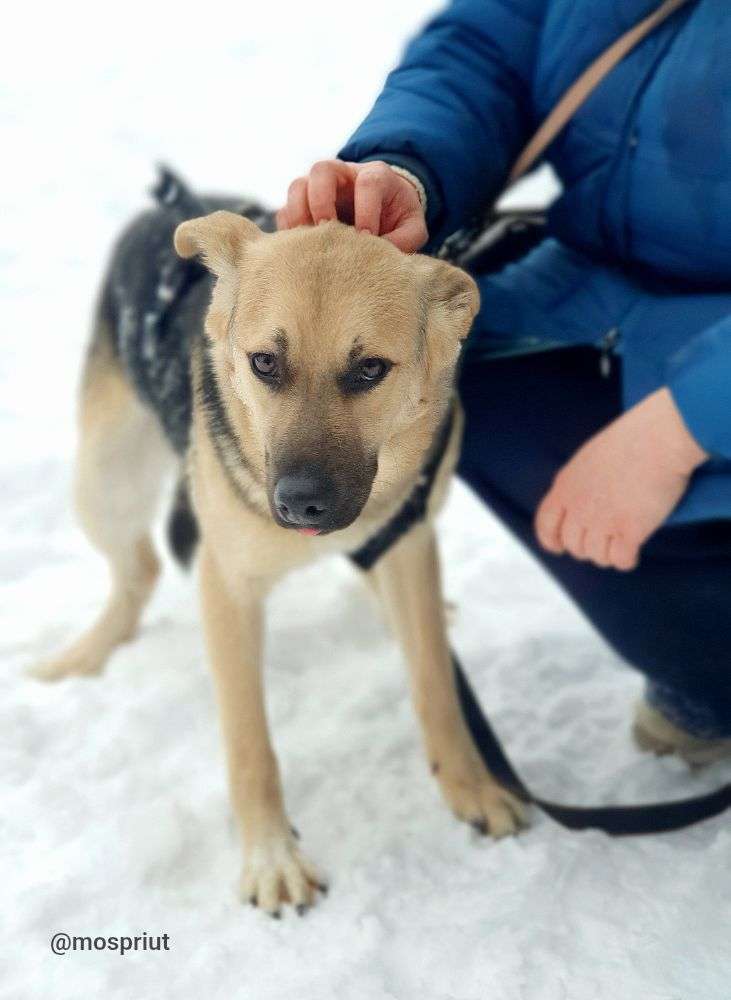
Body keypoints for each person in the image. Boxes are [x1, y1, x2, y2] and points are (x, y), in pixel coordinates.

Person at [278, 0, 731, 761]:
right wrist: (406, 167)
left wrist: (684, 424)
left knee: (672, 494)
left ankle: (711, 664)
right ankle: (693, 648)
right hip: (596, 276)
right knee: (429, 365)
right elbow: (491, 43)